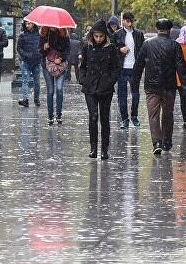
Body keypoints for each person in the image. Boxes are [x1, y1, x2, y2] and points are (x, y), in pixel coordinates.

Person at [132, 18, 186, 154]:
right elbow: (181, 67)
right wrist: (185, 85)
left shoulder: (147, 44)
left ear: (157, 29)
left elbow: (138, 66)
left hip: (151, 85)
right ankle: (167, 140)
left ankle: (157, 142)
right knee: (168, 114)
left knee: (153, 114)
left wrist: (135, 83)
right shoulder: (175, 46)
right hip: (169, 85)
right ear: (169, 30)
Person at [79, 20, 120, 159]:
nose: (98, 39)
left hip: (105, 87)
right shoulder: (87, 47)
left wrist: (109, 81)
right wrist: (83, 79)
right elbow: (82, 66)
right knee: (93, 116)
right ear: (92, 36)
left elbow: (116, 68)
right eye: (96, 36)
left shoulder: (111, 49)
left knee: (104, 118)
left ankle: (104, 149)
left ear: (105, 36)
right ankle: (93, 148)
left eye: (101, 36)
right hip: (90, 87)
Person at [114, 11, 144, 129]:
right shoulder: (117, 34)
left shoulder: (139, 34)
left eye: (130, 20)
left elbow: (142, 50)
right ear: (123, 21)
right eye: (126, 20)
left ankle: (134, 116)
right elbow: (112, 48)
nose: (128, 22)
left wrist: (141, 65)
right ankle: (124, 119)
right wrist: (120, 49)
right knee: (122, 95)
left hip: (134, 68)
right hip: (122, 68)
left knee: (135, 94)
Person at [39, 26, 71, 125]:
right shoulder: (44, 33)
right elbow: (40, 51)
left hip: (61, 66)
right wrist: (44, 48)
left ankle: (58, 114)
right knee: (50, 91)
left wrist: (61, 58)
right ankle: (50, 116)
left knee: (59, 89)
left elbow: (68, 50)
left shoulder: (64, 34)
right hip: (47, 66)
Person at [17, 20, 41, 107]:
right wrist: (25, 55)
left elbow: (41, 46)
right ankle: (25, 99)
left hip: (37, 61)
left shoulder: (39, 34)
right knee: (25, 81)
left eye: (29, 23)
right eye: (26, 24)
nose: (27, 25)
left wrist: (39, 54)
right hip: (26, 61)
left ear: (33, 24)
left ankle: (36, 99)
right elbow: (19, 48)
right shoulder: (22, 35)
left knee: (37, 82)